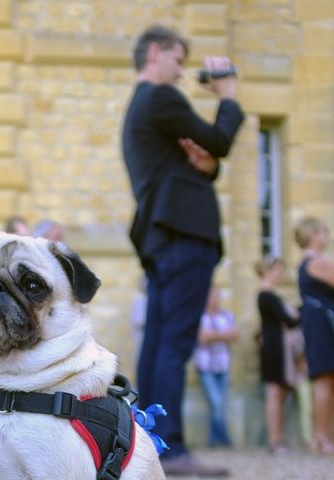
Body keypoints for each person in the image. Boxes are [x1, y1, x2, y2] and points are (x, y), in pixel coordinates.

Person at [121, 25, 244, 476]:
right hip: (184, 238)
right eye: (177, 59)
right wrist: (227, 95)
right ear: (155, 53)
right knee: (173, 343)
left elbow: (195, 162)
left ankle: (150, 445)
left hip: (162, 238)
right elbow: (219, 141)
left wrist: (208, 165)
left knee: (158, 342)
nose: (180, 71)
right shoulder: (161, 99)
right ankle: (169, 450)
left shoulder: (143, 109)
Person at [294, 217, 334, 454]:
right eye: (323, 231)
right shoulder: (319, 261)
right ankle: (322, 437)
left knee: (326, 380)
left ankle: (324, 437)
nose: (327, 236)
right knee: (325, 380)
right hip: (322, 326)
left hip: (317, 323)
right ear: (313, 235)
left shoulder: (307, 262)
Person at [255, 256, 303, 455]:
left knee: (280, 392)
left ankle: (278, 438)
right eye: (278, 270)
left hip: (277, 346)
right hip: (274, 348)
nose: (281, 274)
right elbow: (288, 320)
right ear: (268, 271)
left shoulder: (270, 295)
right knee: (275, 392)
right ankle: (274, 440)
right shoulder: (266, 295)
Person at [194, 286, 238, 448]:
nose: (214, 299)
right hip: (205, 365)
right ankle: (224, 438)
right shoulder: (199, 316)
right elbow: (202, 338)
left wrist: (213, 336)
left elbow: (234, 335)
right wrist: (223, 335)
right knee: (217, 402)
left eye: (216, 296)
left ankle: (214, 439)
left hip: (223, 365)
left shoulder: (226, 315)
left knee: (219, 403)